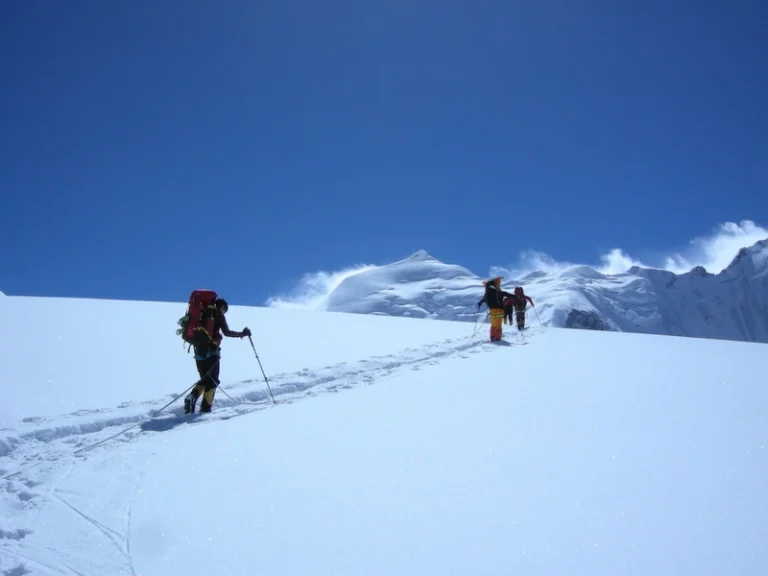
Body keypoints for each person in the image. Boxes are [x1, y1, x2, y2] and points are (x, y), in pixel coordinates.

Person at [184, 298, 251, 414]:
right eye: (225, 310)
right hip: (212, 352)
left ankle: (191, 397)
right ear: (222, 307)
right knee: (213, 381)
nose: (224, 312)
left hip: (199, 352)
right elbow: (227, 332)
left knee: (205, 378)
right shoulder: (218, 315)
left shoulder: (202, 314)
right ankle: (205, 408)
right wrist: (242, 333)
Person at [477, 277, 507, 341]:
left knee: (493, 325)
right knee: (498, 325)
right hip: (499, 310)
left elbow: (484, 299)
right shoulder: (497, 291)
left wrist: (480, 303)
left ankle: (492, 337)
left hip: (491, 310)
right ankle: (497, 338)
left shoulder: (488, 292)